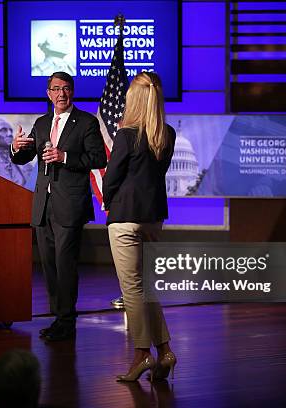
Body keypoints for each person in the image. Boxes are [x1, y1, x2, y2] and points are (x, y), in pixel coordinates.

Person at [11, 71, 107, 341]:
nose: (61, 94)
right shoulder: (41, 124)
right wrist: (17, 148)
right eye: (56, 89)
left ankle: (67, 320)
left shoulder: (86, 122)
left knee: (65, 264)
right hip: (43, 204)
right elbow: (26, 156)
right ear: (48, 93)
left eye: (66, 88)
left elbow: (98, 157)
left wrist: (65, 156)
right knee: (50, 265)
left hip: (70, 204)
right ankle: (58, 317)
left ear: (72, 91)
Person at [102, 72, 177, 382]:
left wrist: (107, 199)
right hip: (153, 216)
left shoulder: (127, 134)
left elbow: (112, 177)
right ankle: (166, 351)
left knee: (132, 288)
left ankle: (141, 354)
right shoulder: (167, 134)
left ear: (133, 99)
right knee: (146, 287)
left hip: (124, 217)